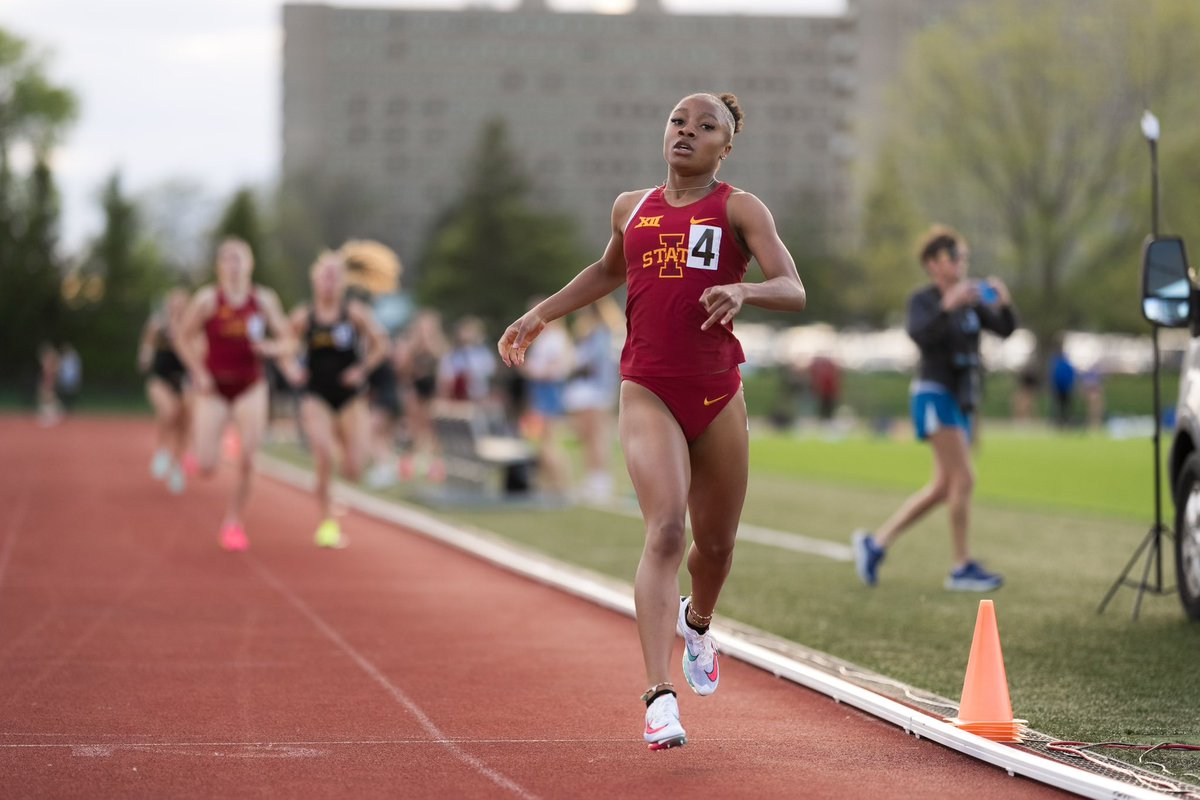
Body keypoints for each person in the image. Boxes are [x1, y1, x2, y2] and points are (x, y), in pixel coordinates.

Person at [498, 92, 805, 750]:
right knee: (666, 530)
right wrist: (541, 314)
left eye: (704, 127)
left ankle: (699, 620)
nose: (686, 133)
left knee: (715, 548)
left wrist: (747, 289)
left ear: (726, 146)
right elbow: (607, 271)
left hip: (717, 391)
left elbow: (794, 287)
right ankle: (657, 696)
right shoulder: (630, 208)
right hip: (647, 387)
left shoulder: (741, 210)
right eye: (677, 122)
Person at [852, 226, 1016, 592]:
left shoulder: (971, 300)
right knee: (964, 479)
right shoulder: (924, 299)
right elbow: (920, 334)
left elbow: (1005, 329)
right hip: (933, 393)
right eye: (954, 257)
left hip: (961, 398)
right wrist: (947, 306)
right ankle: (961, 567)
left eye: (963, 258)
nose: (961, 264)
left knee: (944, 486)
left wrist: (1003, 303)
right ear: (934, 263)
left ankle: (875, 544)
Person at [175, 237, 295, 551]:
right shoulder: (207, 300)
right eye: (227, 258)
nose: (234, 264)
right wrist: (198, 371)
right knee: (206, 465)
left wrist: (273, 347)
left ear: (250, 264)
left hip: (250, 386)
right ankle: (215, 439)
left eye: (239, 258)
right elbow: (182, 338)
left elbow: (289, 340)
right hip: (214, 388)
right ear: (219, 266)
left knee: (249, 457)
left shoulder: (264, 300)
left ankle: (233, 522)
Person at [287, 251, 391, 548]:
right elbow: (285, 343)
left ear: (343, 282)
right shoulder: (303, 317)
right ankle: (326, 523)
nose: (330, 282)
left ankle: (344, 458)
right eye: (325, 275)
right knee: (322, 453)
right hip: (316, 393)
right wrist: (293, 367)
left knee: (354, 469)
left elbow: (381, 343)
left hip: (349, 396)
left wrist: (362, 369)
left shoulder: (354, 313)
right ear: (315, 280)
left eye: (335, 276)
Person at [564, 299, 621, 504]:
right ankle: (592, 478)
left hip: (597, 391)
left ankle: (601, 481)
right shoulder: (587, 334)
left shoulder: (603, 333)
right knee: (587, 436)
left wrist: (574, 362)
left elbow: (594, 363)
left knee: (597, 435)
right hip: (586, 391)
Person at [137, 288, 192, 494]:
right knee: (169, 411)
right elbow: (147, 346)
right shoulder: (158, 325)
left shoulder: (191, 327)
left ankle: (177, 467)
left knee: (184, 425)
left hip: (185, 382)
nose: (177, 307)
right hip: (159, 379)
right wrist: (145, 356)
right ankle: (161, 449)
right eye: (174, 303)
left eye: (181, 304)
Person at [519, 297, 575, 496]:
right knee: (542, 441)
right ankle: (551, 484)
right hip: (541, 389)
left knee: (549, 441)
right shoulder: (545, 338)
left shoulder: (557, 337)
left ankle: (561, 485)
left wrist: (535, 371)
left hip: (549, 390)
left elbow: (559, 367)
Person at [395, 309, 449, 481]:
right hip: (416, 391)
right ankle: (412, 463)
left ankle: (434, 465)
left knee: (433, 430)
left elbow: (443, 372)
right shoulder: (413, 347)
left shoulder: (439, 347)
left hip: (432, 392)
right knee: (415, 428)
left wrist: (443, 397)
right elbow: (404, 371)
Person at [36, 342, 61, 427]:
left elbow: (50, 371)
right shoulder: (51, 362)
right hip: (47, 380)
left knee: (48, 397)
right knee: (46, 396)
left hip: (49, 380)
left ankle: (51, 415)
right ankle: (50, 414)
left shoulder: (51, 363)